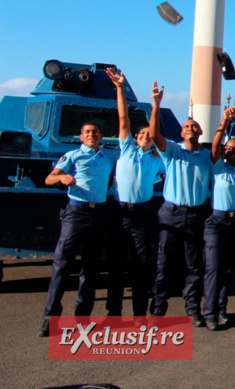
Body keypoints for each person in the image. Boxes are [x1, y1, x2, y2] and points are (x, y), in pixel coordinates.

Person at [39, 122, 114, 337]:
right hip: (76, 213)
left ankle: (83, 318)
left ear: (101, 136)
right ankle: (49, 318)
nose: (92, 135)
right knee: (62, 265)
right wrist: (62, 177)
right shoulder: (72, 156)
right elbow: (49, 178)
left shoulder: (108, 159)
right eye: (87, 132)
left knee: (90, 269)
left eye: (95, 132)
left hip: (98, 213)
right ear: (81, 137)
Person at [148, 82, 212, 325]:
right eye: (186, 127)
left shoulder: (206, 156)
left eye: (194, 126)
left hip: (196, 215)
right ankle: (158, 310)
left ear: (200, 132)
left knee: (194, 265)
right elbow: (155, 135)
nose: (189, 128)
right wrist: (156, 104)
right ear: (181, 133)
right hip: (171, 213)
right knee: (164, 264)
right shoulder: (172, 150)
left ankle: (193, 309)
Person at [105, 68, 164, 317]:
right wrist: (119, 88)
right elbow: (123, 119)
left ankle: (139, 313)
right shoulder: (126, 149)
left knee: (142, 265)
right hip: (119, 212)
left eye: (147, 134)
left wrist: (155, 105)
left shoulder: (156, 159)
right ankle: (114, 312)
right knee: (116, 265)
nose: (143, 136)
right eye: (140, 134)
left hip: (142, 213)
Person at [202, 107, 235, 331]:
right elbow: (215, 145)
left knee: (228, 269)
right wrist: (224, 119)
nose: (232, 151)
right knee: (214, 267)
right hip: (216, 221)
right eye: (228, 148)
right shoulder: (217, 167)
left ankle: (221, 309)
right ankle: (209, 312)